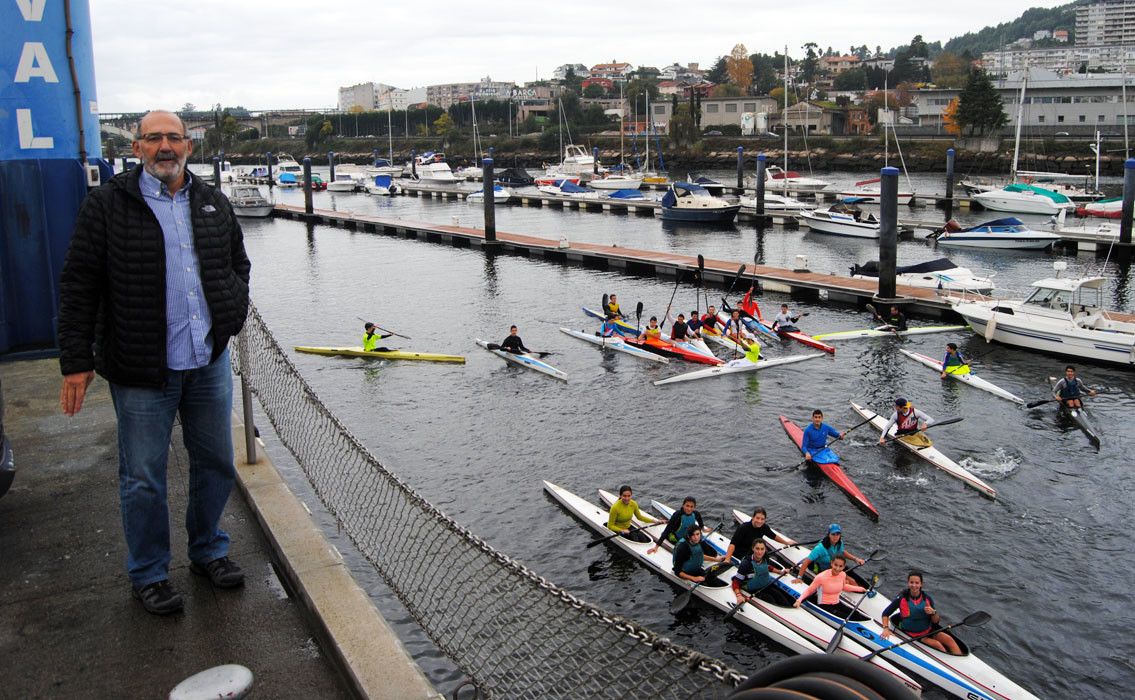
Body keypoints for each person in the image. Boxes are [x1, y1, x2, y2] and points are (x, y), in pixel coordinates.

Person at [58, 110, 251, 616]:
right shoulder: (106, 205)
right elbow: (80, 284)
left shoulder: (212, 201)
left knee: (216, 462)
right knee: (143, 475)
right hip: (142, 368)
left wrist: (230, 313)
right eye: (154, 138)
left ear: (189, 145)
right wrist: (75, 360)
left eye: (174, 137)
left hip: (206, 360)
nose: (165, 146)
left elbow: (237, 263)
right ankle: (149, 572)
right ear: (137, 147)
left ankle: (209, 551)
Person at [880, 571, 963, 655]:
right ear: (908, 583)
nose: (914, 585)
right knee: (937, 645)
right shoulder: (901, 599)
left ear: (921, 584)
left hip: (929, 630)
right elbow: (885, 614)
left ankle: (960, 662)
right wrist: (886, 628)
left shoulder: (927, 599)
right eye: (911, 582)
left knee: (949, 640)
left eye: (917, 583)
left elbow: (935, 621)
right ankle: (947, 662)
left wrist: (933, 612)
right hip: (913, 634)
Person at [793, 554, 868, 613]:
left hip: (836, 603)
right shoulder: (821, 577)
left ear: (844, 567)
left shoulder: (843, 575)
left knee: (856, 614)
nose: (837, 568)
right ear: (831, 563)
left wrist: (860, 589)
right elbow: (809, 590)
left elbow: (843, 586)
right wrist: (799, 601)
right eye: (835, 565)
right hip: (823, 605)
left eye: (840, 566)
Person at [724, 508, 795, 563]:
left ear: (765, 520)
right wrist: (727, 559)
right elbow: (733, 544)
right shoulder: (743, 528)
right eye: (757, 518)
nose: (759, 521)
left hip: (754, 553)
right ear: (753, 517)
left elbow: (773, 536)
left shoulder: (764, 527)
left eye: (762, 519)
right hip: (740, 555)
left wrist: (786, 542)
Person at [648, 497, 712, 555]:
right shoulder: (677, 515)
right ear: (683, 505)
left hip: (689, 537)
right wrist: (656, 546)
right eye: (687, 506)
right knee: (691, 549)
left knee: (706, 547)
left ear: (694, 507)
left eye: (691, 507)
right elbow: (667, 530)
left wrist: (703, 529)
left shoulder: (695, 513)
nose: (689, 509)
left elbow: (700, 520)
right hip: (676, 538)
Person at [794, 523, 865, 576]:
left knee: (851, 579)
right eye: (833, 534)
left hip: (834, 566)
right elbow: (806, 562)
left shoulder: (839, 543)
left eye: (838, 534)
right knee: (848, 581)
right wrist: (799, 578)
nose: (836, 536)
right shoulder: (820, 548)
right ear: (829, 535)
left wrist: (856, 559)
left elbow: (842, 552)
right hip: (819, 569)